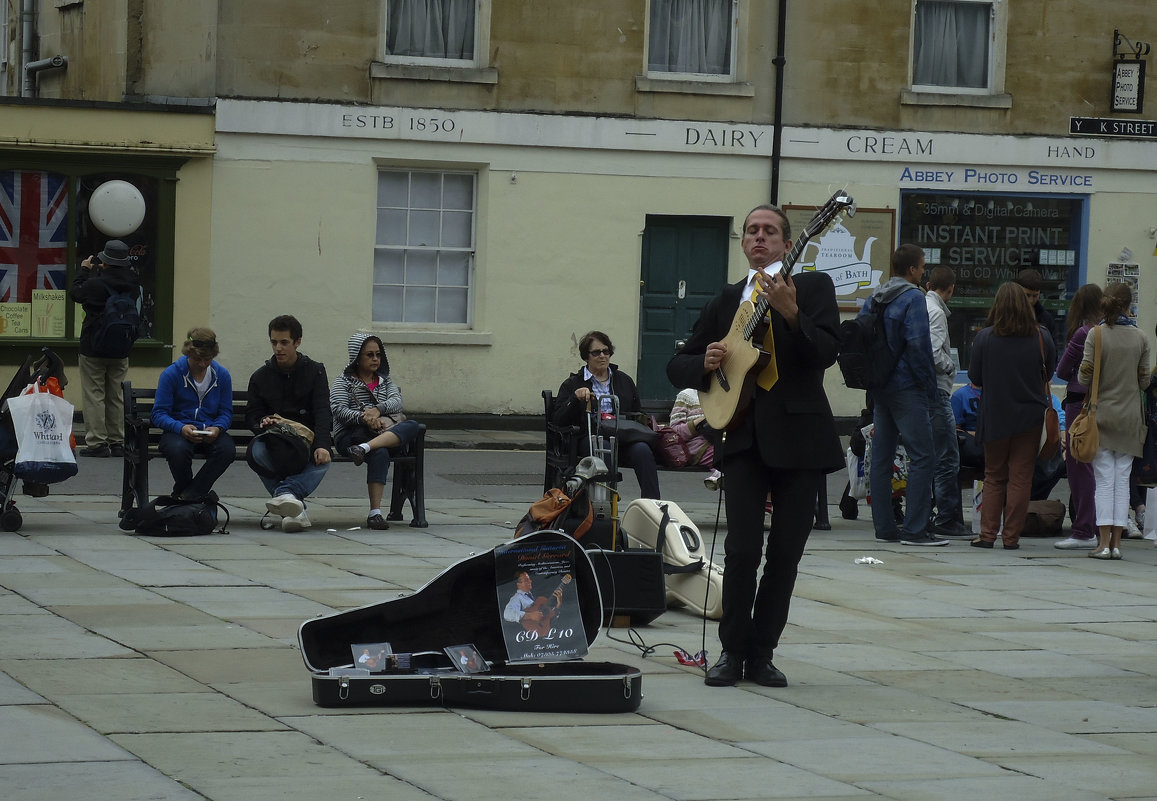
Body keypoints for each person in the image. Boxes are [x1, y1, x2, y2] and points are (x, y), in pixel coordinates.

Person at [667, 203, 843, 688]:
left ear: (789, 244)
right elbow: (677, 366)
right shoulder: (727, 301)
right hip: (741, 437)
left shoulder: (811, 289)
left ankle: (762, 653)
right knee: (742, 551)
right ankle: (731, 651)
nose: (759, 238)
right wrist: (704, 360)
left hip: (802, 439)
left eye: (770, 232)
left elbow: (825, 353)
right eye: (751, 231)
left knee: (785, 553)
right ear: (743, 243)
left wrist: (791, 315)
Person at [860, 244, 944, 546]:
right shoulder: (912, 298)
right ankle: (915, 530)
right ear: (911, 270)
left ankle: (884, 528)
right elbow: (919, 346)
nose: (923, 272)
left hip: (880, 385)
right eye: (922, 267)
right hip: (907, 386)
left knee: (881, 458)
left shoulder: (875, 297)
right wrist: (930, 389)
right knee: (923, 456)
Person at [968, 282, 1057, 550]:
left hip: (995, 414)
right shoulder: (1042, 337)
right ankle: (1011, 538)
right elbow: (1049, 372)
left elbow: (974, 377)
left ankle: (987, 535)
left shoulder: (985, 337)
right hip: (1029, 416)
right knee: (1021, 477)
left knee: (994, 475)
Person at [1078, 282, 1150, 559]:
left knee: (1104, 481)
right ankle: (1118, 544)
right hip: (1131, 417)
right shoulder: (1141, 337)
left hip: (1102, 415)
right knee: (1122, 481)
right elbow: (1144, 381)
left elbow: (1084, 377)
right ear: (1128, 304)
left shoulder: (1096, 335)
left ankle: (1103, 543)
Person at [245, 314, 332, 532]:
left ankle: (285, 496)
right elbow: (252, 414)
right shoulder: (260, 377)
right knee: (256, 451)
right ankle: (296, 509)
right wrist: (261, 423)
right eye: (274, 342)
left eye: (284, 342)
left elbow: (323, 411)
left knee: (324, 458)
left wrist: (322, 444)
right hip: (274, 440)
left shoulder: (315, 371)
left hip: (305, 440)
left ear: (297, 341)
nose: (278, 348)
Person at [553, 331, 660, 499]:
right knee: (604, 447)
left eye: (606, 351)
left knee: (642, 450)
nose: (602, 356)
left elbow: (637, 412)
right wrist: (575, 399)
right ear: (586, 357)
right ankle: (607, 503)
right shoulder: (573, 383)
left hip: (622, 437)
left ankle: (653, 505)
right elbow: (558, 419)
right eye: (596, 352)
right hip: (589, 437)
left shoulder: (624, 380)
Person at [331, 332, 421, 530]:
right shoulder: (343, 382)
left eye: (378, 354)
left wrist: (378, 410)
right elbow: (338, 409)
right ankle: (376, 513)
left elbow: (397, 402)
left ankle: (363, 448)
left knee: (413, 426)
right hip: (350, 435)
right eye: (369, 355)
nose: (375, 359)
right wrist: (364, 418)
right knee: (379, 452)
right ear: (357, 357)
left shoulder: (385, 381)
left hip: (379, 434)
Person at [69, 239, 141, 457]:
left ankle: (97, 443)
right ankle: (117, 441)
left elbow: (76, 293)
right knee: (115, 396)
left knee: (94, 394)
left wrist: (84, 271)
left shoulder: (96, 284)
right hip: (121, 348)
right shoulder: (134, 285)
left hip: (93, 346)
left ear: (105, 262)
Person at [150, 329, 235, 501]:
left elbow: (226, 412)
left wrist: (218, 428)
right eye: (198, 359)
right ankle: (192, 495)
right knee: (178, 450)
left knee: (227, 450)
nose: (203, 364)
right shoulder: (171, 374)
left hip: (210, 430)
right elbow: (159, 413)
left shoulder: (222, 375)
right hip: (178, 431)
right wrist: (180, 428)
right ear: (188, 353)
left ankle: (187, 496)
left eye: (208, 360)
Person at [1054, 284, 1103, 550]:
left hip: (1079, 405)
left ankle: (1084, 529)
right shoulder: (1113, 333)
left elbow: (1062, 371)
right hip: (1107, 404)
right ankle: (1102, 527)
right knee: (1104, 470)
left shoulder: (1082, 334)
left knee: (1079, 466)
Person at [925, 266, 970, 537]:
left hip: (920, 391)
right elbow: (932, 352)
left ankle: (931, 513)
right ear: (951, 288)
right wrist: (950, 366)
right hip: (937, 390)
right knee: (947, 457)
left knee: (929, 455)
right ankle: (948, 518)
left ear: (929, 283)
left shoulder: (920, 305)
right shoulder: (937, 312)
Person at [668, 388, 719, 488]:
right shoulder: (686, 396)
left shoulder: (724, 394)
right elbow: (675, 433)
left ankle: (720, 474)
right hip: (697, 447)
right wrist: (697, 423)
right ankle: (720, 473)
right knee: (722, 454)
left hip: (718, 439)